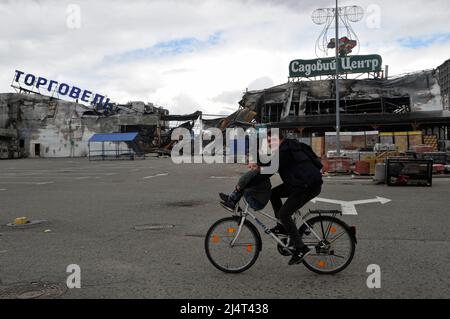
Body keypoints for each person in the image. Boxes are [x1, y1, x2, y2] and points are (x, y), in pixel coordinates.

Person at [266, 133, 323, 265]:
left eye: (271, 141)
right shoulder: (291, 146)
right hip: (301, 183)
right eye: (268, 142)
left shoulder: (285, 150)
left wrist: (252, 178)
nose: (269, 144)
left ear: (279, 139)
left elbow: (271, 168)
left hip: (307, 186)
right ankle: (281, 226)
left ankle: (301, 248)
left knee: (284, 213)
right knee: (273, 193)